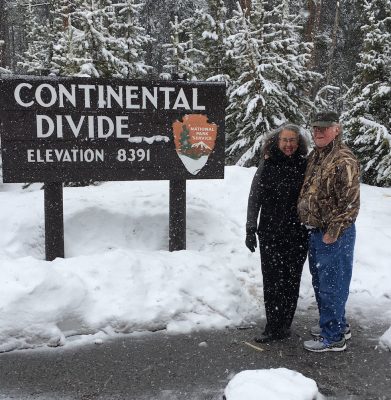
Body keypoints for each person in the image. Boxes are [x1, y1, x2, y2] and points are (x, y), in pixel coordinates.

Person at [298, 110, 360, 352]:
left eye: (324, 128)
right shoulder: (318, 155)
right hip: (316, 231)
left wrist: (332, 232)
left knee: (332, 285)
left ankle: (333, 337)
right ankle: (336, 324)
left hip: (333, 234)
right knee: (323, 281)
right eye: (315, 128)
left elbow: (350, 203)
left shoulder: (344, 159)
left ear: (337, 129)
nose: (318, 132)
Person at [246, 124, 309, 343]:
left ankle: (285, 325)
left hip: (298, 234)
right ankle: (273, 326)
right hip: (270, 233)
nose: (289, 145)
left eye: (293, 140)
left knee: (292, 280)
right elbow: (255, 197)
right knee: (273, 280)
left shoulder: (305, 165)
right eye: (285, 140)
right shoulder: (268, 164)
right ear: (277, 141)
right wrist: (250, 227)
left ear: (298, 143)